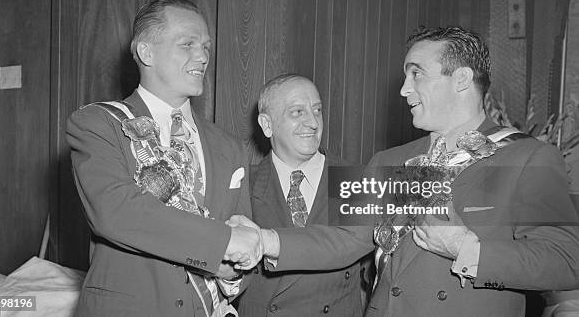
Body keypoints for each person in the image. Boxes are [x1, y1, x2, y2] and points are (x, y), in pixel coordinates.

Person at [362, 26, 579, 316]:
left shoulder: (530, 157)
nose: (404, 89)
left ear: (461, 79)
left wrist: (464, 247)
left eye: (416, 74)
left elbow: (565, 261)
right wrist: (278, 242)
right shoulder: (384, 160)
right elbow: (341, 247)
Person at [67, 0, 262, 317]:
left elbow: (243, 244)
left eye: (206, 47)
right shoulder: (98, 124)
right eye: (187, 44)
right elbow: (116, 212)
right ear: (146, 52)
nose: (202, 57)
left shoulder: (230, 146)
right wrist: (225, 243)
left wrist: (236, 273)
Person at [234, 75, 374, 316]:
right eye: (297, 112)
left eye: (317, 110)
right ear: (267, 125)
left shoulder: (357, 179)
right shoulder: (242, 184)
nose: (313, 122)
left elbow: (360, 250)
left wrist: (266, 241)